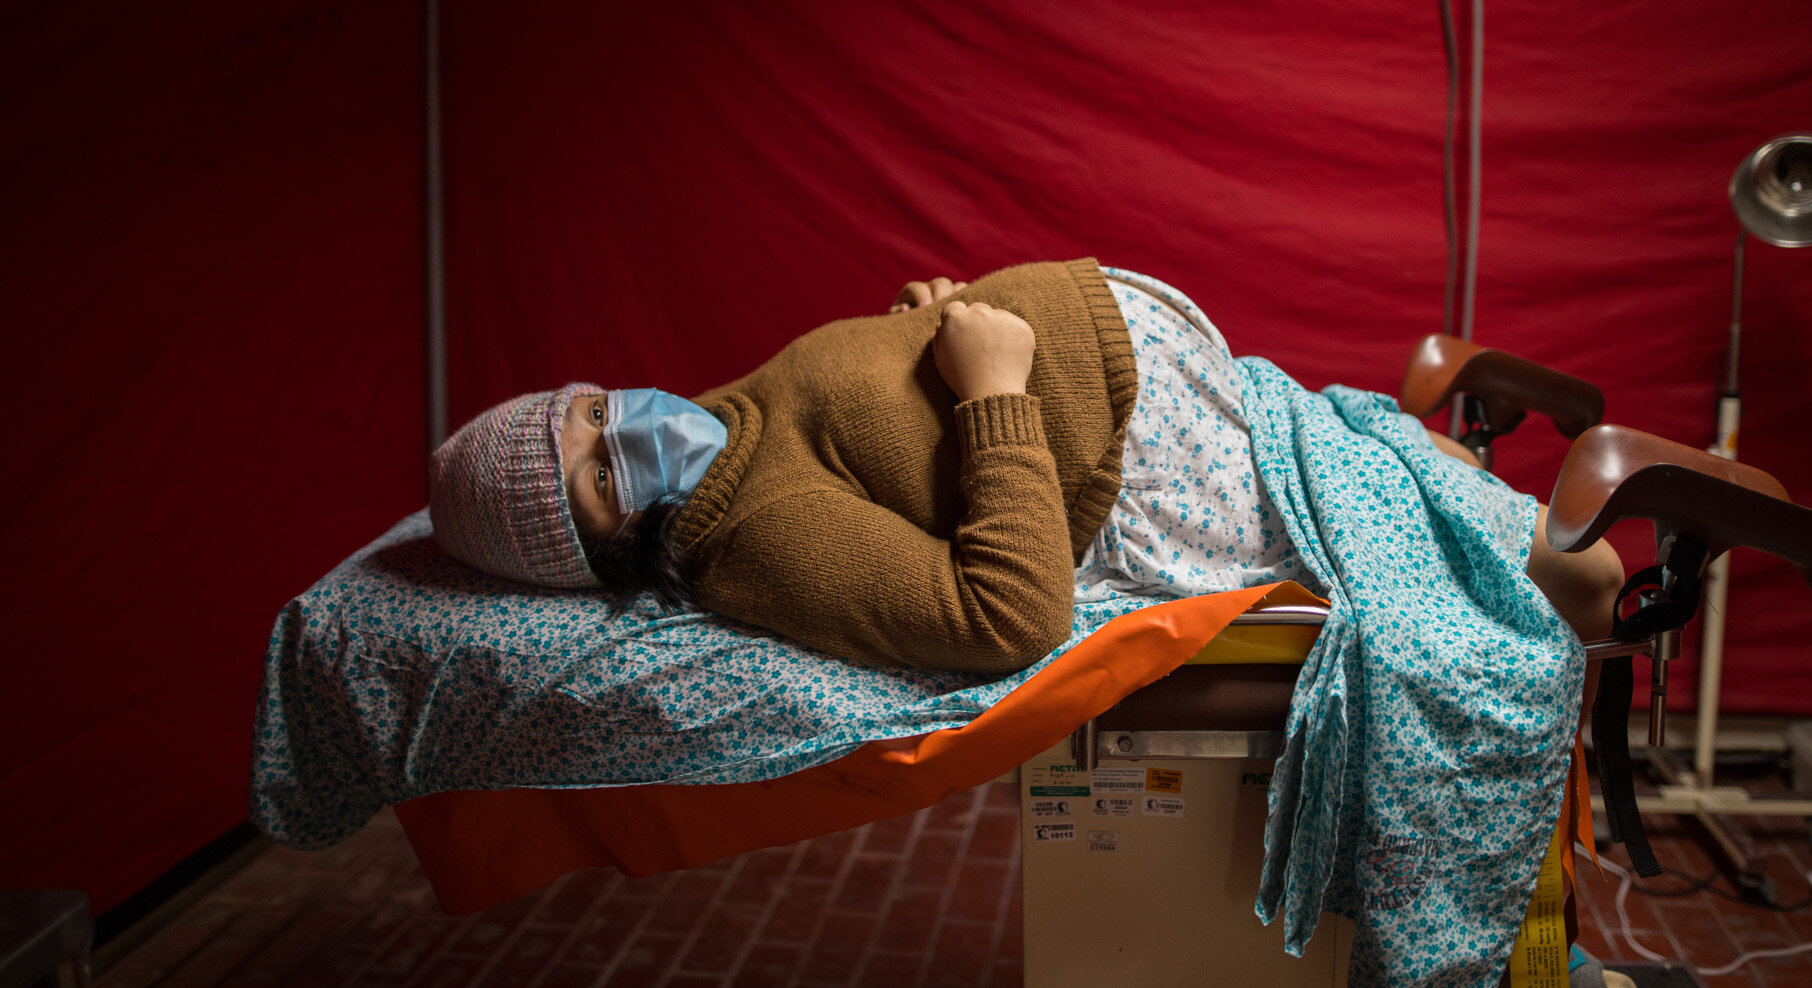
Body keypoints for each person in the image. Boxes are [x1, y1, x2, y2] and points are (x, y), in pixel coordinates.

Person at [428, 257, 1619, 680]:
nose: (613, 432)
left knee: (1493, 518)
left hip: (1191, 395)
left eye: (585, 413)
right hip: (1169, 469)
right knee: (1570, 570)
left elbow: (879, 441)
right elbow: (1004, 610)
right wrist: (993, 394)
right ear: (607, 545)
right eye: (594, 477)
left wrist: (919, 326)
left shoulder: (729, 424)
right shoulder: (751, 539)